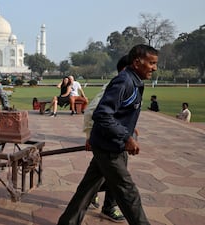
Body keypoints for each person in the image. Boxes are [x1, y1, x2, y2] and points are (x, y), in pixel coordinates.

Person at [58, 44, 158, 225]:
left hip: (109, 144)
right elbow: (101, 114)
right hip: (109, 147)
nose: (154, 68)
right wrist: (126, 137)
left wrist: (128, 132)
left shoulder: (133, 81)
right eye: (151, 63)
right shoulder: (124, 81)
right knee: (129, 193)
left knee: (87, 190)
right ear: (137, 62)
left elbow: (118, 114)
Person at [82, 55, 129, 223]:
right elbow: (91, 111)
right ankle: (108, 207)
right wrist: (89, 135)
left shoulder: (128, 84)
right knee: (119, 180)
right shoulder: (119, 85)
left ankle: (95, 198)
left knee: (103, 176)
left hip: (115, 141)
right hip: (108, 142)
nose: (153, 68)